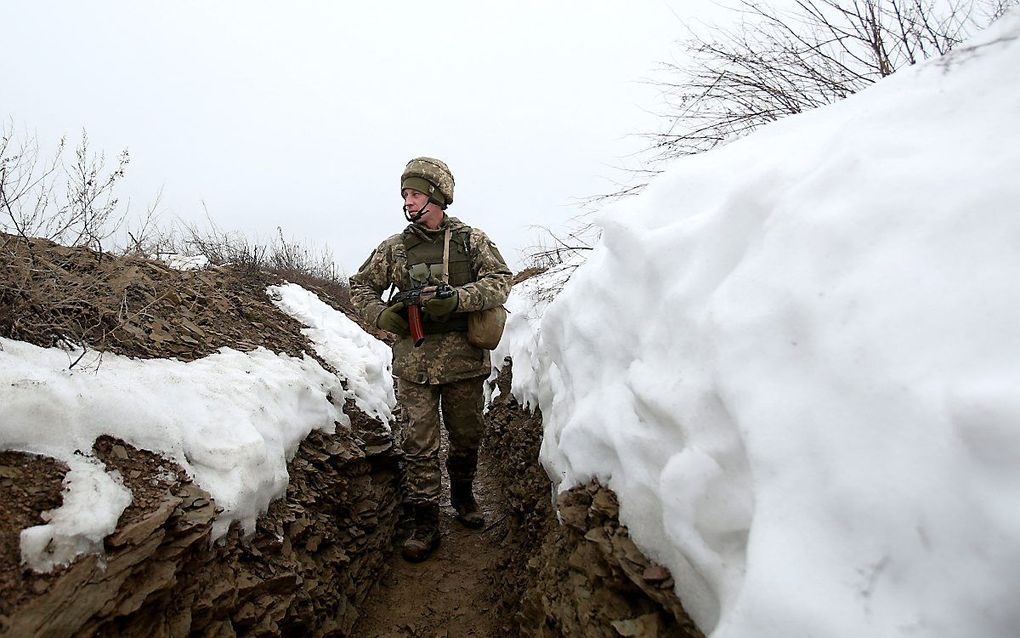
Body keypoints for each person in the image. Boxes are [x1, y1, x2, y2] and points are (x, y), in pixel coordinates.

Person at [349, 157, 512, 562]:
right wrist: (381, 315)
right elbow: (360, 287)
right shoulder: (394, 248)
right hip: (415, 365)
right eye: (405, 193)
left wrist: (458, 299)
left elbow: (500, 282)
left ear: (437, 196)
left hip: (464, 363)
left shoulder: (471, 241)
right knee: (418, 444)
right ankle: (424, 521)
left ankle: (463, 497)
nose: (408, 200)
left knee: (467, 436)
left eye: (416, 192)